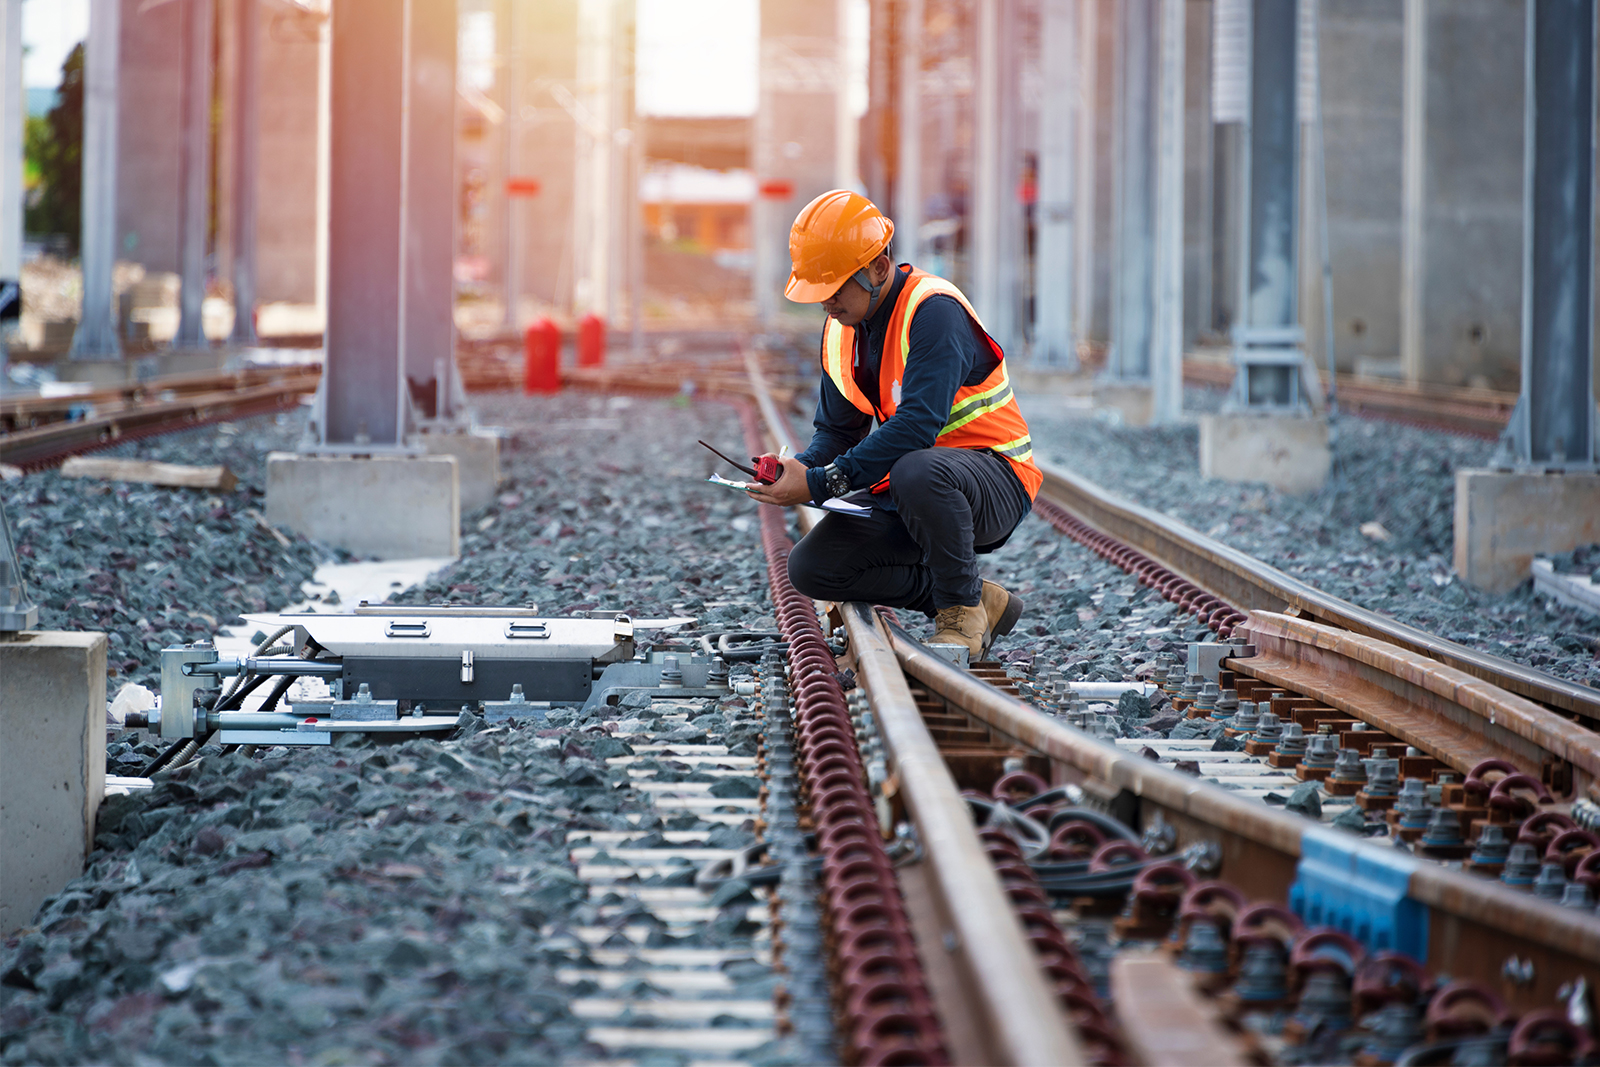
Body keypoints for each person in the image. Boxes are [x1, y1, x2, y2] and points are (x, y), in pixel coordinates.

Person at [747, 189, 1042, 658]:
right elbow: (838, 432)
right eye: (819, 291)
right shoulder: (842, 328)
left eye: (835, 288)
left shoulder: (933, 313)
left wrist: (825, 482)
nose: (826, 302)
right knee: (812, 568)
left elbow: (916, 427)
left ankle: (961, 614)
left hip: (994, 480)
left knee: (916, 469)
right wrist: (798, 471)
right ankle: (977, 595)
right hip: (915, 489)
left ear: (879, 268)